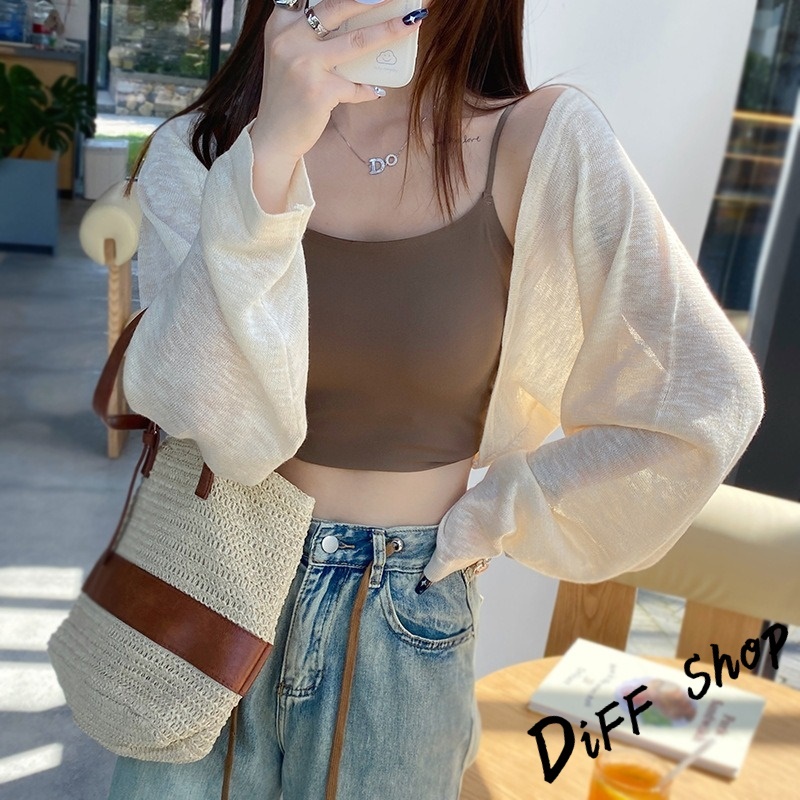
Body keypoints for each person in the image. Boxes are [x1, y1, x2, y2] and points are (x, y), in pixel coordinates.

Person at [107, 0, 765, 797]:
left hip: (403, 614)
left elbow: (704, 395)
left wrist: (498, 512)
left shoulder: (536, 140)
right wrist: (269, 158)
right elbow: (205, 413)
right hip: (206, 579)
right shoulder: (201, 148)